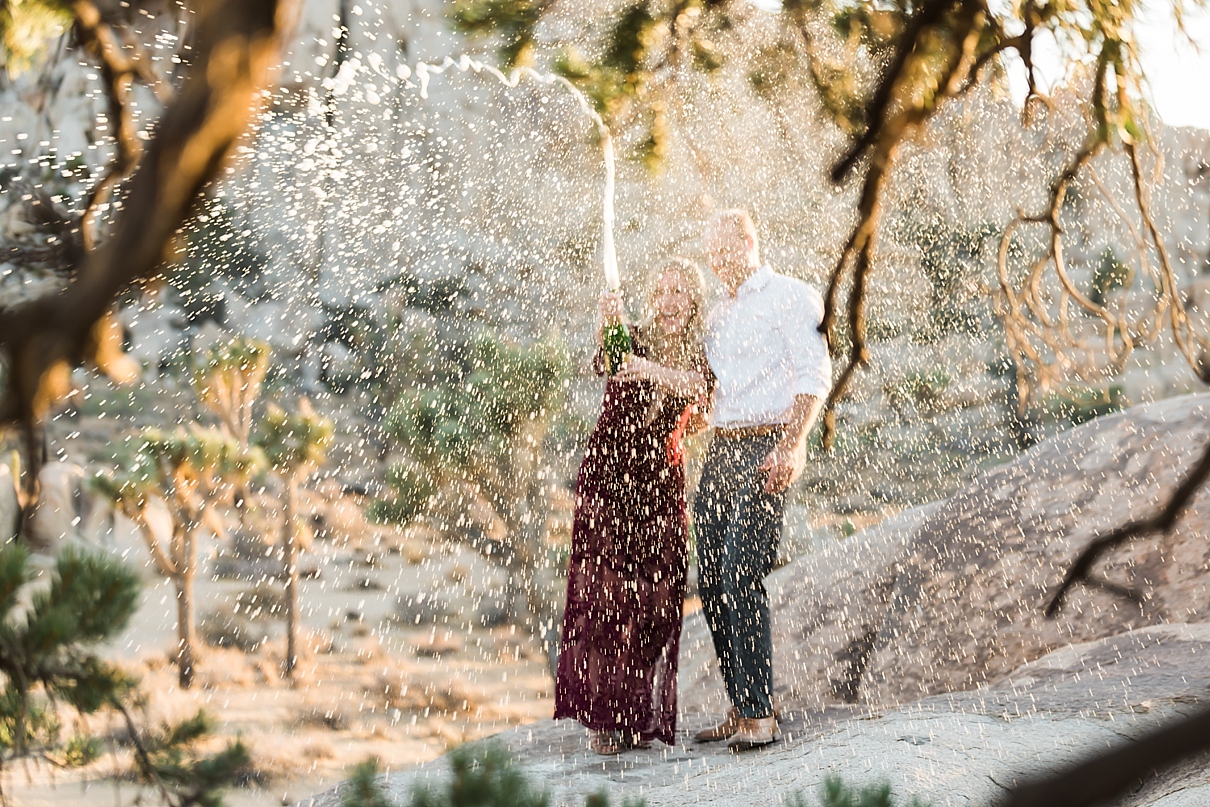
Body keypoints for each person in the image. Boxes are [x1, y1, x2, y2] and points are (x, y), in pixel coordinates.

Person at [554, 258, 713, 755]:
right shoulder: (633, 336)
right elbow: (608, 362)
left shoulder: (700, 351)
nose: (669, 301)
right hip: (609, 478)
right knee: (607, 600)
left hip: (661, 483)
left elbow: (703, 392)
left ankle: (635, 713)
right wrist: (607, 321)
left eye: (680, 293)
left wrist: (659, 380)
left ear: (693, 303)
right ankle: (605, 719)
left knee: (657, 603)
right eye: (662, 291)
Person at [692, 209, 831, 751]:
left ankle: (760, 715)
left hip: (766, 446)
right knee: (711, 582)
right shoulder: (717, 314)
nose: (717, 260)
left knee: (740, 573)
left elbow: (813, 374)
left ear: (749, 240)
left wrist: (792, 443)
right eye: (711, 253)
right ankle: (743, 701)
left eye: (724, 249)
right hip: (721, 450)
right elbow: (712, 383)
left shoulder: (792, 295)